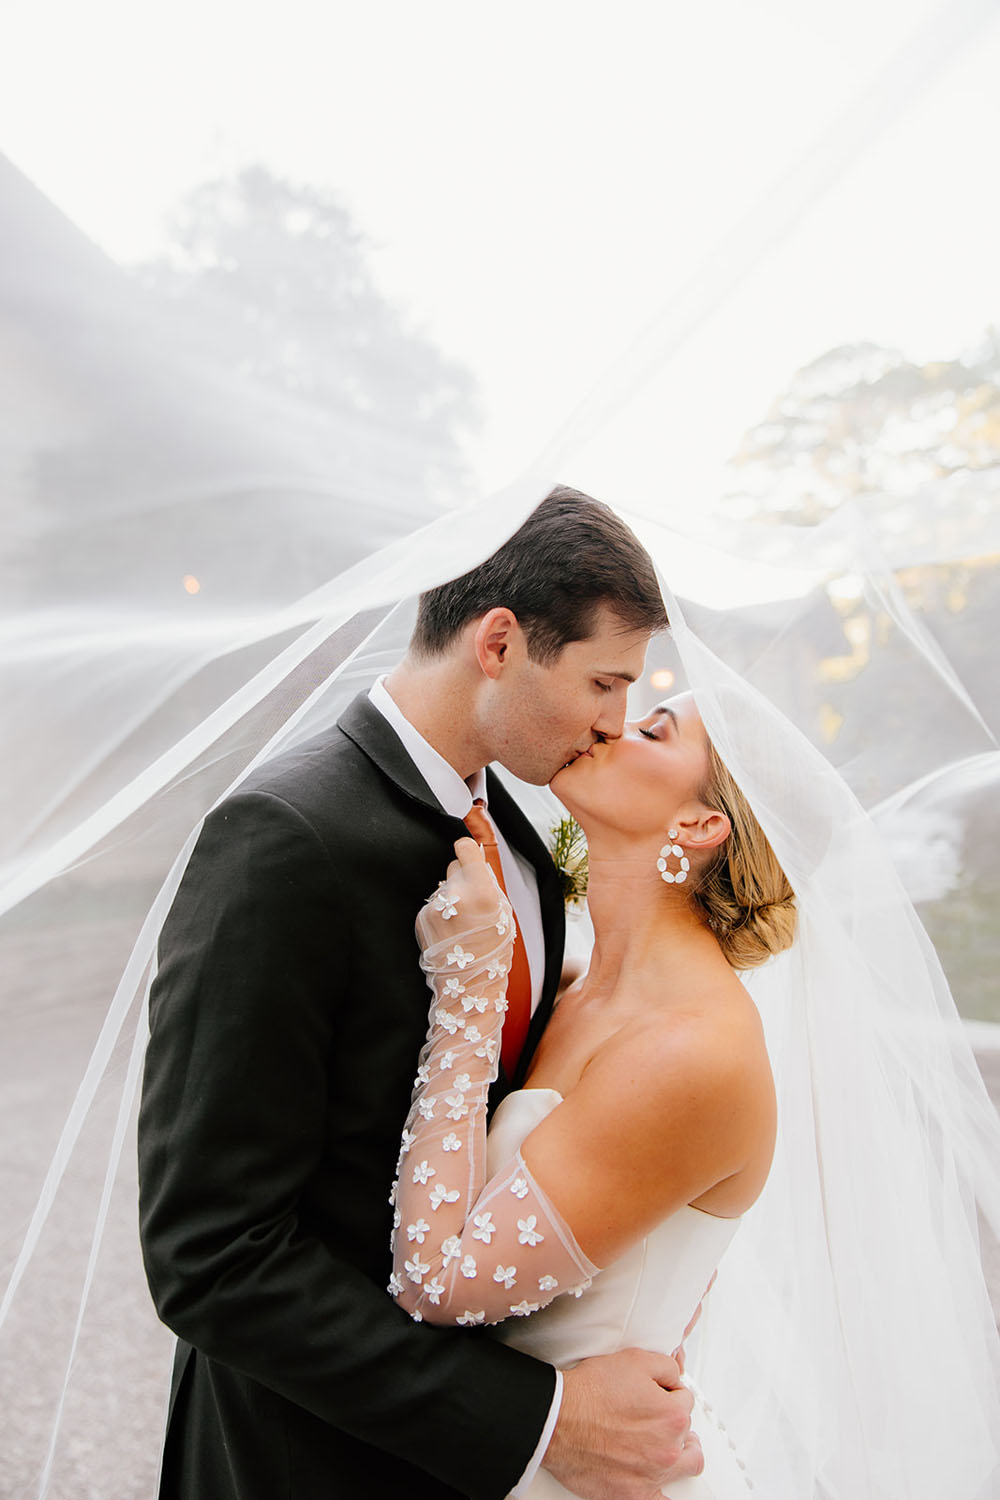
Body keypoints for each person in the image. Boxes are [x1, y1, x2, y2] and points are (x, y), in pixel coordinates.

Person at [137, 485, 708, 1500]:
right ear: (498, 644)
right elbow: (210, 1255)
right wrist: (534, 1425)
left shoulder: (525, 845)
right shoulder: (283, 839)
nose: (613, 724)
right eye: (603, 682)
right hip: (295, 1461)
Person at [390, 691, 793, 1498]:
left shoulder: (694, 1052)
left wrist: (468, 999)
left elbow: (436, 1285)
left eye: (653, 729)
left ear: (699, 825)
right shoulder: (576, 986)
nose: (612, 721)